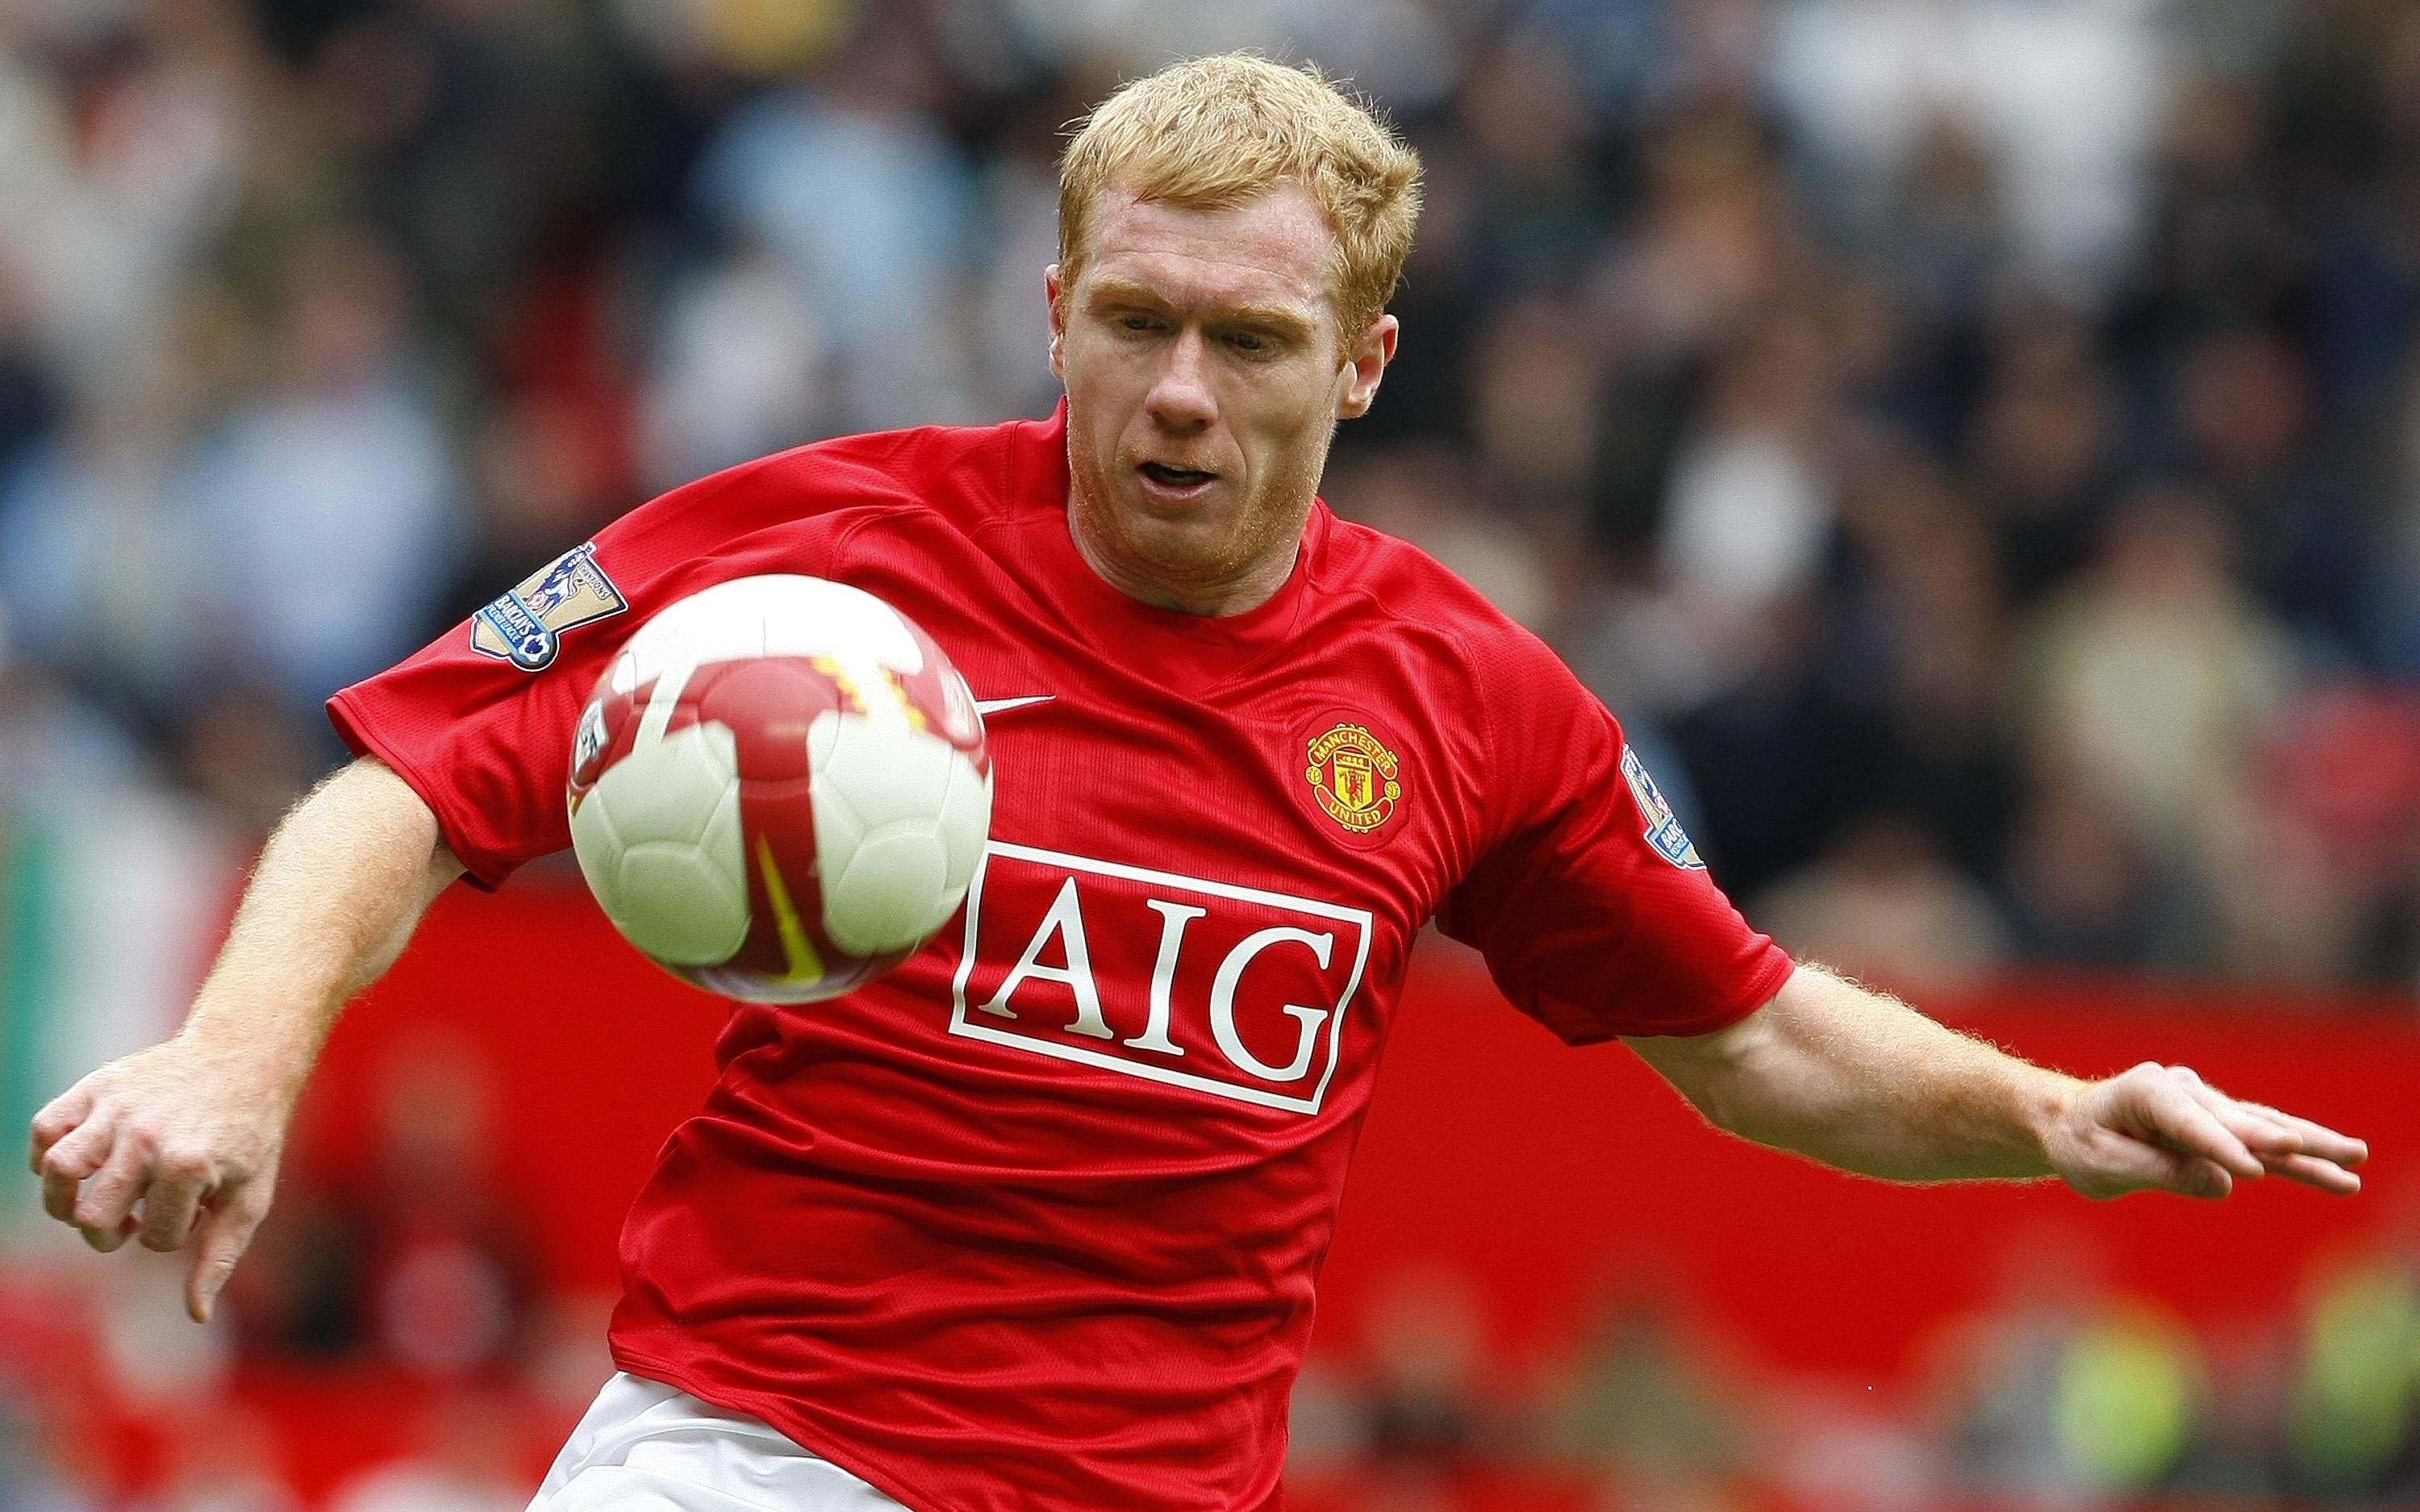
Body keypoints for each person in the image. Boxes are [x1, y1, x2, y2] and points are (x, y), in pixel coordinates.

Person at [27, 54, 2366, 1512]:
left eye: (1249, 340)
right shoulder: (826, 559)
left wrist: (2049, 1110)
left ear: (1362, 364)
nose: (1176, 390)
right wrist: (236, 1058)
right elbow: (411, 781)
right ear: (1054, 314)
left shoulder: (1471, 700)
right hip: (761, 1451)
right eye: (1133, 321)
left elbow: (1747, 1031)